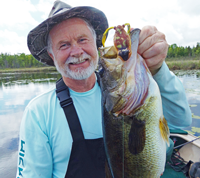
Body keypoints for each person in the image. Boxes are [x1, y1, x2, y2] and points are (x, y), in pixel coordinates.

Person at [16, 0, 192, 177]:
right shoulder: (39, 112)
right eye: (64, 45)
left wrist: (158, 69)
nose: (76, 51)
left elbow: (180, 121)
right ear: (52, 55)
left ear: (96, 44)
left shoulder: (134, 89)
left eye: (82, 39)